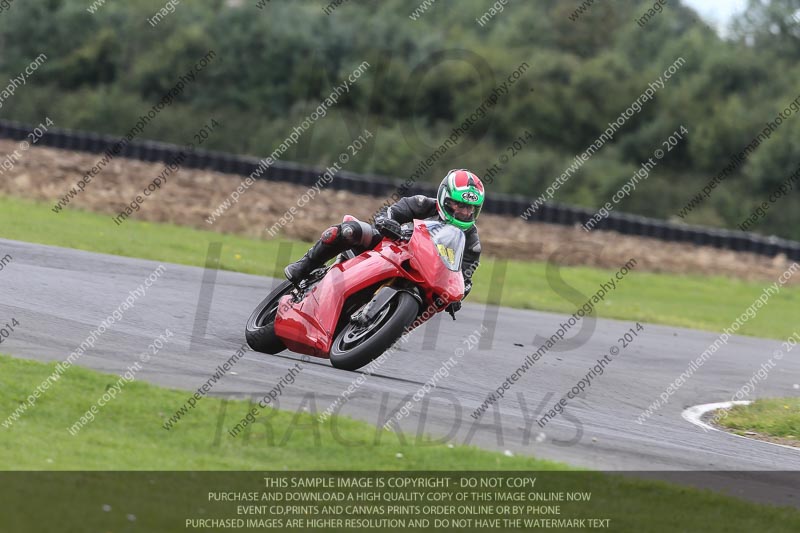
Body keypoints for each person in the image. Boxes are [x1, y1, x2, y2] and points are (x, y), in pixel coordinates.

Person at [283, 169, 485, 313]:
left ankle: (382, 324)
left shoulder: (472, 244)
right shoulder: (422, 204)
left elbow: (463, 277)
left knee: (434, 304)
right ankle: (305, 265)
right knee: (349, 231)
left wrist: (459, 295)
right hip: (390, 247)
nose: (464, 211)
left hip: (423, 276)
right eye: (459, 204)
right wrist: (387, 222)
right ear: (445, 198)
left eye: (470, 208)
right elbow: (390, 212)